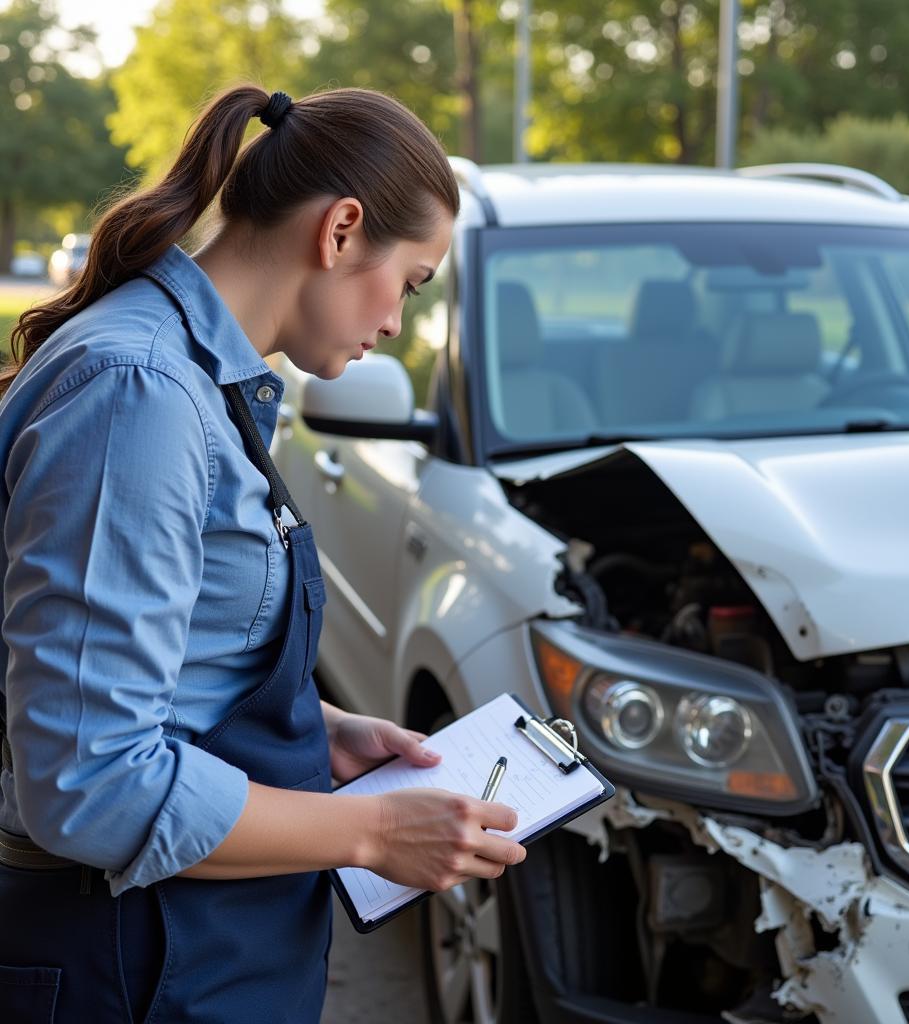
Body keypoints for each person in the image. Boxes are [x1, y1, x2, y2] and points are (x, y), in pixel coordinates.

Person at [0, 85, 526, 1023]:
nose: (401, 322)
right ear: (342, 230)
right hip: (128, 961)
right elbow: (89, 780)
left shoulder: (197, 379)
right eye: (409, 282)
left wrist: (315, 729)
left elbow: (159, 653)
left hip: (183, 944)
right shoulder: (140, 396)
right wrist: (370, 833)